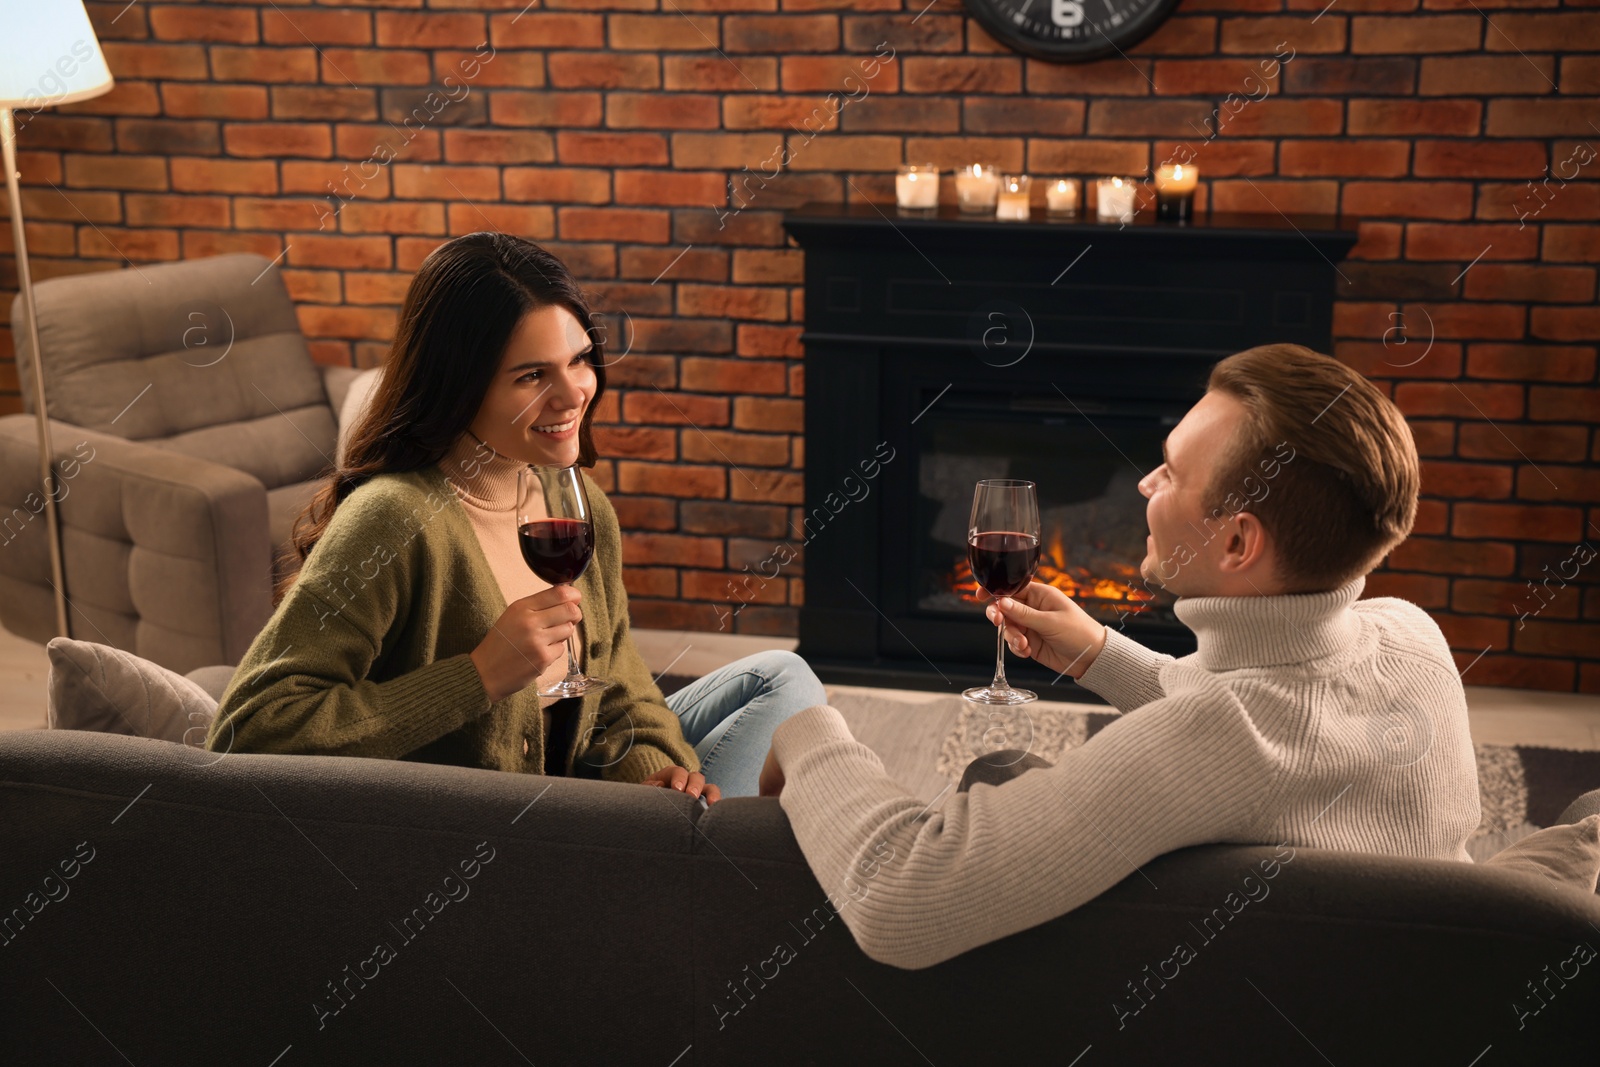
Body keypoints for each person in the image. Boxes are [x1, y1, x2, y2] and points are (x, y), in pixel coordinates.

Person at [757, 343, 1482, 969]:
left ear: (1236, 542)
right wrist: (1098, 652)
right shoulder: (1412, 638)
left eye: (1169, 471)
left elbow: (899, 901)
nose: (1144, 483)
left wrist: (808, 729)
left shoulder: (1212, 740)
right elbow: (1256, 723)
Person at [207, 232, 825, 801]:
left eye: (579, 360)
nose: (573, 394)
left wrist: (655, 768)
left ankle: (691, 854)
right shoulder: (394, 519)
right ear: (461, 383)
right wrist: (477, 675)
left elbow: (617, 679)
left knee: (787, 682)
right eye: (533, 375)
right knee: (767, 820)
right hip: (494, 832)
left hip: (582, 781)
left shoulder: (574, 503)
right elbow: (247, 730)